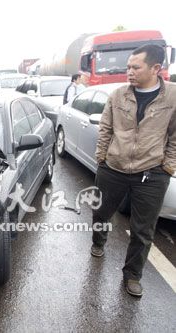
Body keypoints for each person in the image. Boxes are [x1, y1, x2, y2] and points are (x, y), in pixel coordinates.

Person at [91, 44, 175, 297]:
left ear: (155, 68)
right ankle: (98, 241)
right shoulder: (118, 95)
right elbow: (105, 128)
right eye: (128, 66)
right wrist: (102, 159)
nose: (129, 71)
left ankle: (132, 275)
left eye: (135, 67)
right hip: (113, 168)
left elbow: (174, 136)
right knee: (101, 212)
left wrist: (168, 166)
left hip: (151, 173)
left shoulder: (172, 97)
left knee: (143, 229)